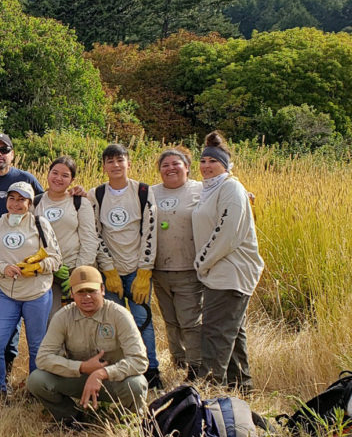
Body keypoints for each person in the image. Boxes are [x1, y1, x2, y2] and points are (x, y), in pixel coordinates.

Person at [27, 266, 149, 427]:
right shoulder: (63, 317)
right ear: (72, 294)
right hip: (78, 379)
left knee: (137, 384)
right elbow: (43, 358)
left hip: (113, 380)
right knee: (36, 380)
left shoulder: (119, 314)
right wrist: (82, 367)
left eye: (92, 291)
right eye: (80, 292)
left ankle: (125, 422)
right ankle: (71, 418)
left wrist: (102, 373)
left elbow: (140, 360)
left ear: (102, 290)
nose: (87, 297)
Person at [192, 132, 263, 392]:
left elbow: (227, 233)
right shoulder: (209, 189)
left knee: (215, 334)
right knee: (232, 332)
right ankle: (242, 388)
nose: (207, 166)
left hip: (230, 271)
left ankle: (209, 392)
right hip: (217, 270)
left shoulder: (230, 187)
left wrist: (202, 261)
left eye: (213, 161)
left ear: (225, 165)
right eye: (203, 161)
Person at [0, 133, 44, 376]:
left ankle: (8, 365)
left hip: (16, 263)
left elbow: (47, 205)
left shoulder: (26, 179)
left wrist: (74, 194)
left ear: (13, 154)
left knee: (12, 322)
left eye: (4, 149)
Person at [89, 143, 161, 388]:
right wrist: (108, 270)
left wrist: (144, 271)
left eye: (120, 160)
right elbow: (96, 234)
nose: (116, 165)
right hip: (111, 274)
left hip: (138, 270)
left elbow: (150, 232)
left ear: (129, 163)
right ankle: (117, 371)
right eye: (110, 161)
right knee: (112, 324)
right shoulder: (96, 195)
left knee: (142, 320)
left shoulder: (143, 191)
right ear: (104, 166)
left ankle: (151, 370)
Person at [0, 181, 61, 394]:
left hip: (37, 293)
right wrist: (3, 268)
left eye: (22, 200)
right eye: (12, 198)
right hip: (8, 294)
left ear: (30, 203)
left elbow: (56, 259)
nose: (16, 204)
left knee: (36, 346)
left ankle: (36, 391)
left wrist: (36, 268)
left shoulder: (39, 223)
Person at [151, 147, 204, 381]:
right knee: (170, 320)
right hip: (158, 269)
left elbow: (229, 197)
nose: (170, 168)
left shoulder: (201, 190)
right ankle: (178, 361)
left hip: (189, 268)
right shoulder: (150, 192)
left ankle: (196, 368)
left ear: (187, 167)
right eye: (165, 165)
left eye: (176, 164)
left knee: (190, 321)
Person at [32, 156, 98, 314]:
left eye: (65, 175)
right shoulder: (35, 203)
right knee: (51, 322)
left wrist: (78, 274)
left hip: (73, 270)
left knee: (79, 323)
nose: (58, 178)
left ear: (72, 180)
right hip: (45, 272)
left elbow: (89, 240)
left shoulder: (80, 203)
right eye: (55, 173)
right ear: (47, 174)